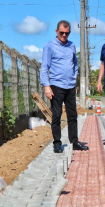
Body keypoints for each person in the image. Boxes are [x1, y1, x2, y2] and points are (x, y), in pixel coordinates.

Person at [40, 20, 89, 153]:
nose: (64, 35)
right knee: (56, 115)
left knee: (72, 115)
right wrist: (46, 86)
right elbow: (45, 67)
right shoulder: (49, 46)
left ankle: (74, 141)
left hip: (70, 86)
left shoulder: (72, 46)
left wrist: (74, 78)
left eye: (67, 33)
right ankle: (57, 142)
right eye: (61, 32)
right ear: (57, 32)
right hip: (56, 85)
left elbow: (75, 64)